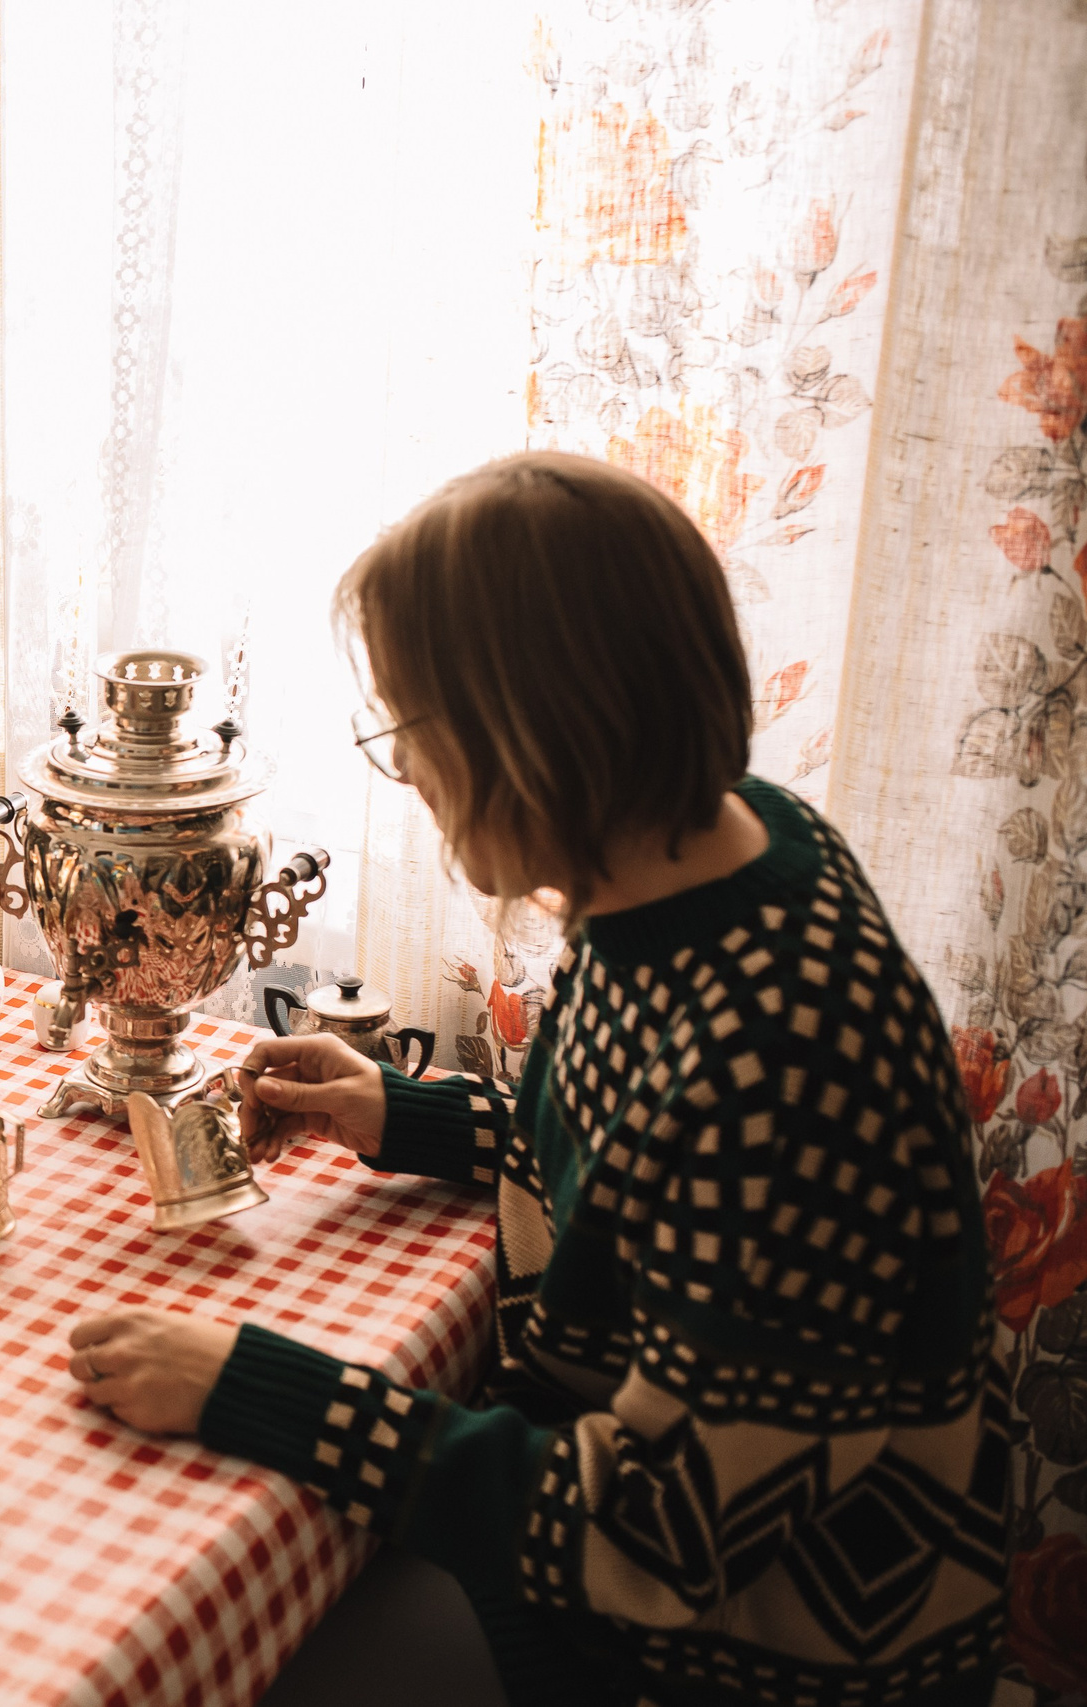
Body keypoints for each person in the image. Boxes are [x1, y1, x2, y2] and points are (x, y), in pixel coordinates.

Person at [66, 453, 1007, 1707]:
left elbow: (652, 1544)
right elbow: (647, 1168)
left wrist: (258, 1387)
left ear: (532, 735)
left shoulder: (779, 1063)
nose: (410, 780)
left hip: (748, 1659)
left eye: (412, 734)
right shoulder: (724, 847)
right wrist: (406, 1113)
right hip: (634, 1560)